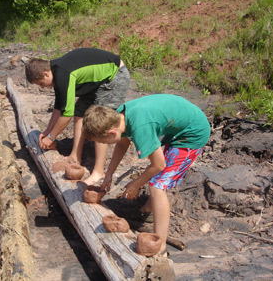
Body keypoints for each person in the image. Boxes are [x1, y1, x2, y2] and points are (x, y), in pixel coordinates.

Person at [82, 94, 211, 256]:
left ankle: (160, 244)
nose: (102, 145)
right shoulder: (120, 116)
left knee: (157, 186)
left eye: (102, 142)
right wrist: (109, 174)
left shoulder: (140, 128)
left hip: (191, 135)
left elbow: (158, 165)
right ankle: (148, 210)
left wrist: (136, 184)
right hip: (178, 127)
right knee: (157, 180)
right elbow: (122, 143)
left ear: (111, 133)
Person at [25, 48, 130, 185]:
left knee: (101, 124)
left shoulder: (62, 75)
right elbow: (58, 108)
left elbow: (65, 115)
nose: (42, 87)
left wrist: (51, 138)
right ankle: (75, 157)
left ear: (45, 74)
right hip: (96, 82)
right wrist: (47, 132)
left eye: (40, 83)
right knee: (79, 112)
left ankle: (98, 171)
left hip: (114, 76)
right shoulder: (56, 73)